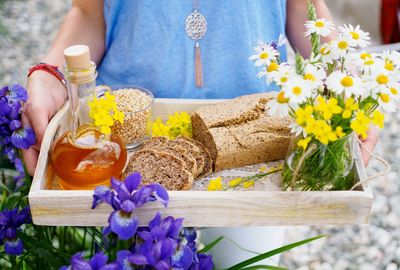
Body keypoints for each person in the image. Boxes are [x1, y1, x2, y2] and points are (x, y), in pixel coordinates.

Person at [22, 0, 378, 267]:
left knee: (248, 260)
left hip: (257, 144)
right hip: (128, 139)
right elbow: (88, 13)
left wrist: (347, 84)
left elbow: (304, 8)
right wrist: (50, 73)